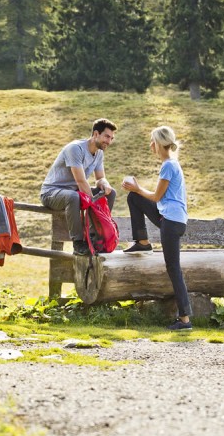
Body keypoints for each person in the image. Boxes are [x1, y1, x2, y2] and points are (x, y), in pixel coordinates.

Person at [121, 126, 191, 330]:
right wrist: (136, 191)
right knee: (134, 198)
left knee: (173, 269)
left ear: (159, 144)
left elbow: (156, 197)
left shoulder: (169, 165)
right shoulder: (171, 164)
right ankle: (142, 242)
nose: (150, 145)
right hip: (169, 218)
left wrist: (137, 187)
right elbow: (156, 199)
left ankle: (185, 319)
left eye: (152, 141)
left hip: (171, 222)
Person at [40, 118, 117, 256]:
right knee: (73, 196)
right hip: (52, 193)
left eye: (111, 138)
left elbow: (100, 178)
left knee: (110, 193)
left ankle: (95, 237)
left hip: (74, 192)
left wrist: (105, 185)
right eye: (106, 136)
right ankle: (78, 243)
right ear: (95, 134)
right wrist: (93, 203)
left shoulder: (99, 153)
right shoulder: (75, 149)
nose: (109, 141)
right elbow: (81, 181)